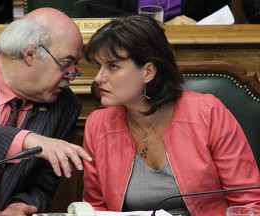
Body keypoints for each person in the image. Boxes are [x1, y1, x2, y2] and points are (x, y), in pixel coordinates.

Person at [82, 14, 260, 215]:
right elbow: (96, 209)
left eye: (112, 66)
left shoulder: (208, 114)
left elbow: (249, 203)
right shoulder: (98, 125)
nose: (99, 78)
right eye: (99, 67)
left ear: (148, 72)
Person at [0, 7, 92, 216]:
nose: (72, 75)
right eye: (66, 63)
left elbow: (44, 183)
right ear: (30, 53)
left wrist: (20, 205)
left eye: (76, 64)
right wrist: (25, 140)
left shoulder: (66, 105)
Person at [86, 0, 229, 24]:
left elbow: (216, 18)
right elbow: (102, 23)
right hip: (128, 54)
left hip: (190, 56)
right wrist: (163, 29)